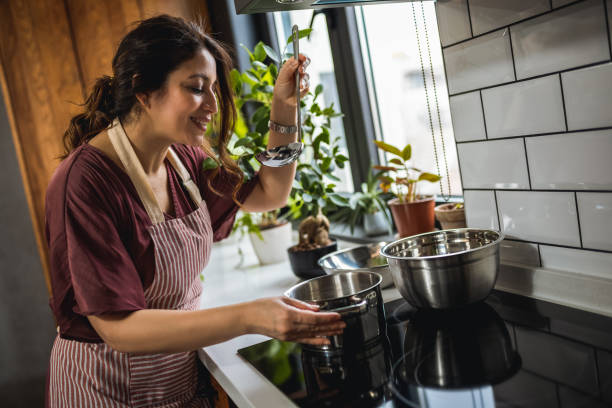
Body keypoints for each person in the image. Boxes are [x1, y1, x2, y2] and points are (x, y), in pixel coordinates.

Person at [45, 15, 344, 407]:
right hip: (105, 389)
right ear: (143, 90)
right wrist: (249, 316)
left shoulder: (184, 161)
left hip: (177, 381)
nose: (214, 106)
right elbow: (118, 328)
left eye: (215, 90)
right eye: (197, 88)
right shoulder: (85, 182)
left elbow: (270, 192)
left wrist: (283, 106)